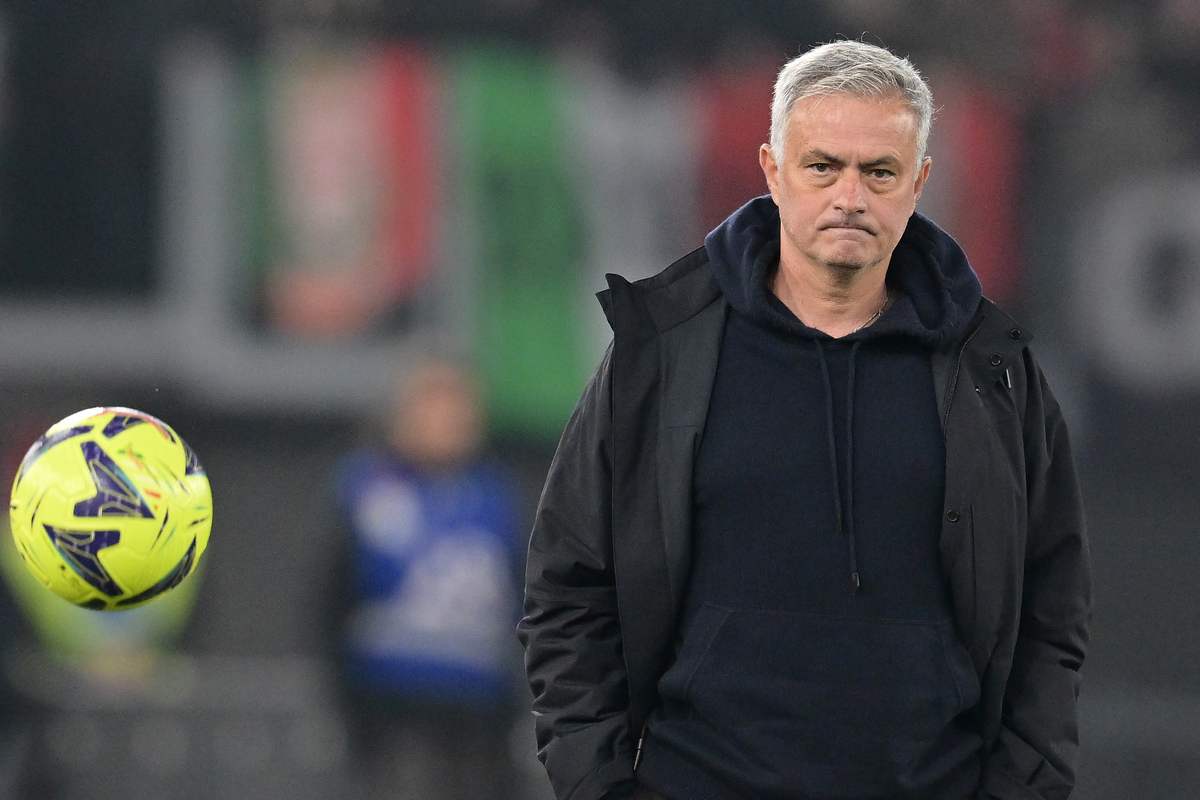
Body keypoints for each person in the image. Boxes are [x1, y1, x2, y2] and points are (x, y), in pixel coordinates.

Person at [517, 40, 1091, 800]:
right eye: (823, 166)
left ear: (919, 181)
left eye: (879, 172)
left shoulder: (995, 371)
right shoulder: (663, 353)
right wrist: (601, 785)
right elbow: (568, 589)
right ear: (772, 169)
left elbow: (1053, 612)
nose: (850, 196)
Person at [331, 358, 523, 800]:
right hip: (392, 711)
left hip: (480, 717)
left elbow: (524, 601)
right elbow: (332, 601)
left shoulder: (496, 499)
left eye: (456, 407)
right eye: (431, 406)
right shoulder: (366, 490)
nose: (444, 421)